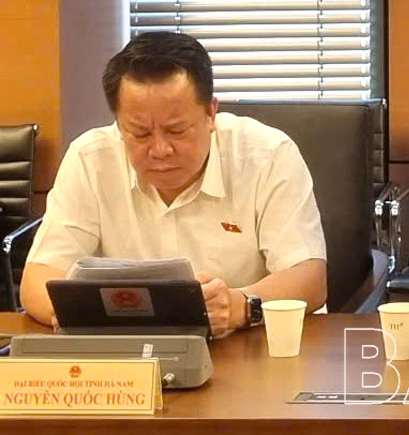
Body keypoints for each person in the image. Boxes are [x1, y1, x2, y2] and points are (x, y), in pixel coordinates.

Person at [20, 32, 327, 336]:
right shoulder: (90, 159)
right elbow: (37, 278)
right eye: (140, 133)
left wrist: (240, 306)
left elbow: (309, 277)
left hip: (249, 345)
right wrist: (74, 312)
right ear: (119, 123)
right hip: (126, 353)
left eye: (176, 130)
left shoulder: (267, 156)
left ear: (210, 113)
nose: (160, 150)